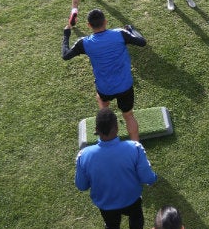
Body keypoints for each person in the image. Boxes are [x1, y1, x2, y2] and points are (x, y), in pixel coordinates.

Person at [75, 108, 158, 229]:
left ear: (96, 129)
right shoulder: (135, 148)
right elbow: (147, 177)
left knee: (111, 227)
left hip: (106, 204)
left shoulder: (84, 155)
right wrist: (153, 178)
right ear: (117, 128)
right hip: (132, 199)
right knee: (136, 221)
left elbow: (81, 186)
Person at [62, 9, 146, 141]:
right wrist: (130, 29)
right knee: (129, 116)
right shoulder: (120, 34)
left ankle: (105, 117)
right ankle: (136, 147)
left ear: (89, 25)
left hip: (105, 88)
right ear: (105, 22)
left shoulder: (84, 43)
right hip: (125, 86)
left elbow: (66, 55)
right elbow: (142, 42)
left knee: (101, 100)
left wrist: (66, 34)